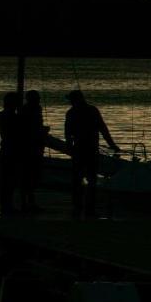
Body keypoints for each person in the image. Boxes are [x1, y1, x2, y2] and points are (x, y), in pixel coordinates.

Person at [64, 89, 121, 219]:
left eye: (71, 100)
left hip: (79, 150)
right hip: (90, 149)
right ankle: (89, 208)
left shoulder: (71, 113)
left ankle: (78, 205)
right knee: (91, 179)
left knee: (78, 178)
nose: (70, 102)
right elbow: (103, 129)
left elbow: (68, 133)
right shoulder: (92, 110)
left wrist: (69, 147)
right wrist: (112, 145)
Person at [19, 90, 48, 212]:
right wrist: (41, 131)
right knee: (29, 175)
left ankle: (29, 202)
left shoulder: (33, 109)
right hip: (30, 148)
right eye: (37, 99)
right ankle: (27, 203)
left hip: (35, 147)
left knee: (32, 175)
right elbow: (29, 129)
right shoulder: (28, 110)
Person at [0, 92, 22, 215]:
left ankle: (6, 205)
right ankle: (7, 206)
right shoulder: (13, 117)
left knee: (6, 179)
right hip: (11, 150)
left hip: (6, 149)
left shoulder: (1, 115)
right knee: (9, 179)